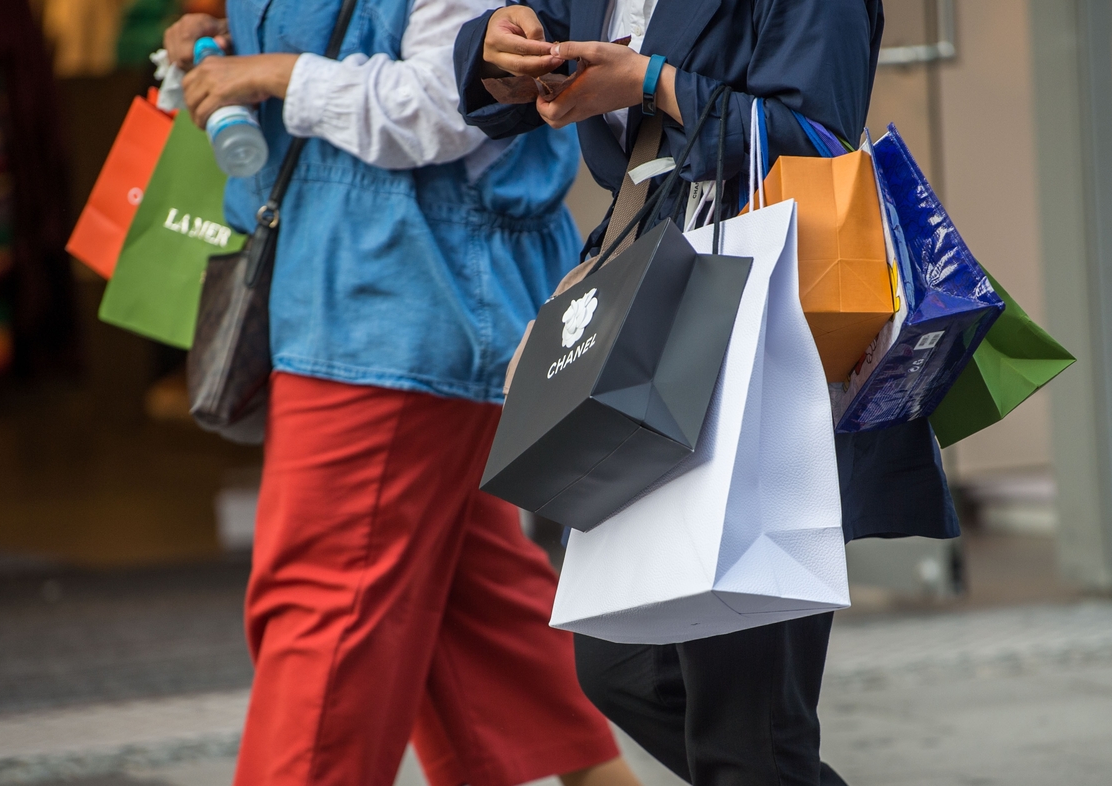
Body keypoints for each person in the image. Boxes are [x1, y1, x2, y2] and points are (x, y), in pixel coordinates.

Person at [455, 1, 960, 785]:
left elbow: (820, 139)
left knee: (747, 729)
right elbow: (519, 60)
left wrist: (652, 83)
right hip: (655, 314)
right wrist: (497, 50)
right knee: (622, 669)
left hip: (761, 326)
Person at [163, 3, 644, 786]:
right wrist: (206, 26)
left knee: (326, 617)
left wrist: (268, 72)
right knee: (474, 611)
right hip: (364, 297)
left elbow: (445, 105)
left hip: (395, 304)